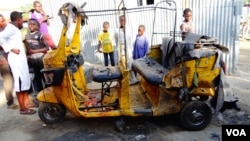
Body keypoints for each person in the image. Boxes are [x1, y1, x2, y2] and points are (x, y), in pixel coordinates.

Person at [0, 13, 36, 115]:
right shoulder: (10, 29)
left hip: (20, 58)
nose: (22, 23)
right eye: (21, 20)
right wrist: (10, 49)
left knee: (24, 81)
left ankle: (26, 103)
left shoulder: (12, 28)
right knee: (20, 83)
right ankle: (23, 108)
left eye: (3, 21)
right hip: (15, 59)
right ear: (19, 20)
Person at [25, 18, 49, 99]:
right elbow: (28, 49)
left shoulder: (40, 34)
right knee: (36, 78)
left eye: (33, 24)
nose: (31, 26)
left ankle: (48, 93)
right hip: (32, 60)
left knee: (44, 77)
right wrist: (28, 56)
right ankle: (40, 95)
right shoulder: (27, 36)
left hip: (40, 59)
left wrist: (34, 51)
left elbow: (46, 48)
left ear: (37, 26)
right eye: (29, 24)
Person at [114, 15, 138, 85]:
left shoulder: (129, 29)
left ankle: (133, 79)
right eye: (121, 20)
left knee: (130, 64)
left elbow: (131, 40)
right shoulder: (116, 30)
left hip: (129, 50)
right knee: (123, 66)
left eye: (124, 20)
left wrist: (131, 50)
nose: (123, 22)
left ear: (126, 21)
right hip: (121, 50)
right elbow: (116, 41)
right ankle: (124, 81)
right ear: (119, 21)